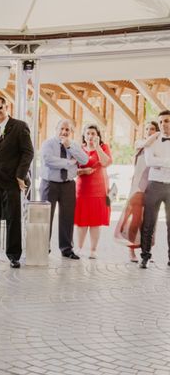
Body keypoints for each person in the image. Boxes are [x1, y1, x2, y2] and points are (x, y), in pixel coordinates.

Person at [0, 96, 34, 268]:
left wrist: (20, 175)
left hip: (10, 181)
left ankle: (13, 255)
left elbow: (28, 152)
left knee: (13, 218)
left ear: (6, 107)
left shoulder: (19, 127)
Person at [39, 119, 89, 259]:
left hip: (68, 184)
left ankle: (66, 248)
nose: (64, 132)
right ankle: (43, 248)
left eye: (67, 130)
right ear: (56, 129)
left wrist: (69, 148)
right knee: (46, 217)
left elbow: (84, 160)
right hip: (49, 184)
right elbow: (49, 161)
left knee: (67, 217)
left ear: (71, 132)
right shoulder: (48, 144)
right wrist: (69, 163)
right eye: (62, 128)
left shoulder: (73, 145)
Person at [115, 121, 159, 262]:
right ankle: (131, 251)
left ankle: (146, 251)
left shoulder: (158, 147)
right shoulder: (140, 143)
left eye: (152, 129)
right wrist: (159, 134)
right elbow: (146, 143)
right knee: (135, 220)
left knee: (149, 221)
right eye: (147, 129)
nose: (149, 131)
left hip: (152, 188)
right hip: (137, 189)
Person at [74, 124, 112, 259]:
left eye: (93, 134)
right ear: (84, 135)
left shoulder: (104, 147)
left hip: (99, 190)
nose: (90, 136)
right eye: (88, 133)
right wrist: (83, 171)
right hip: (82, 190)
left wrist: (97, 148)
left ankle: (93, 249)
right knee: (81, 222)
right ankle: (79, 247)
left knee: (95, 222)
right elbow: (72, 169)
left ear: (98, 136)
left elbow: (106, 162)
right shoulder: (78, 149)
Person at [139, 110, 170, 269]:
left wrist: (161, 162)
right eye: (161, 122)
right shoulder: (152, 141)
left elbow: (156, 161)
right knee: (148, 222)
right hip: (154, 185)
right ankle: (145, 256)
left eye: (167, 121)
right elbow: (150, 161)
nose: (164, 124)